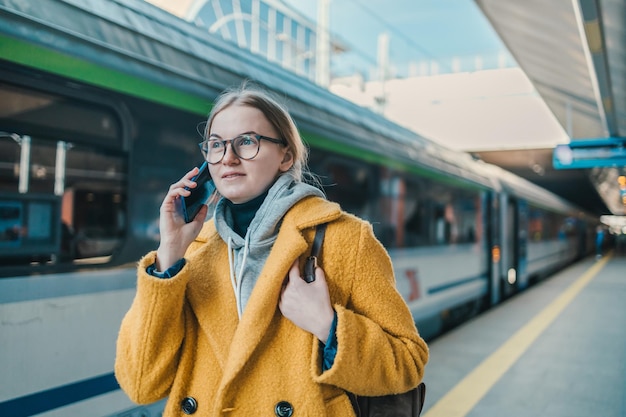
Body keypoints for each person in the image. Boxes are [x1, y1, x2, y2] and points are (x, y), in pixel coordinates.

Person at [115, 82, 429, 416]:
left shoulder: (345, 239)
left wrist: (327, 325)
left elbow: (407, 363)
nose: (229, 158)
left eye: (247, 141)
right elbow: (140, 383)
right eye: (216, 145)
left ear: (286, 155)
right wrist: (168, 254)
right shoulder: (193, 251)